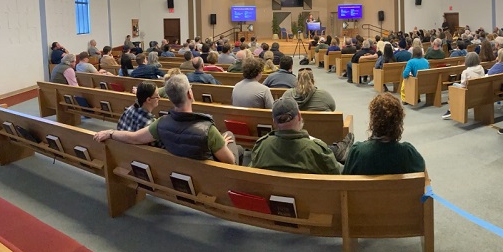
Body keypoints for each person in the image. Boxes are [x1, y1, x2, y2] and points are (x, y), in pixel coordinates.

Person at [93, 74, 243, 165]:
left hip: (176, 169)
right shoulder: (209, 129)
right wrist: (221, 143)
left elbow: (134, 138)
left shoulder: (160, 123)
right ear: (190, 95)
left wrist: (111, 133)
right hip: (209, 176)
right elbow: (229, 162)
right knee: (232, 140)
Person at [249, 97, 343, 174]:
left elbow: (251, 172)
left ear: (274, 122)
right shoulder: (317, 150)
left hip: (272, 195)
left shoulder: (261, 147)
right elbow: (337, 174)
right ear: (299, 116)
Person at [343, 93, 425, 175]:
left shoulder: (357, 152)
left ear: (373, 121)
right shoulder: (408, 153)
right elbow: (422, 173)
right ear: (398, 122)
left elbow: (345, 180)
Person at [442, 52, 485, 119]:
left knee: (453, 86)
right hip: (480, 92)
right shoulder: (481, 68)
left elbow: (463, 86)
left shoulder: (466, 72)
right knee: (456, 86)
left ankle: (451, 109)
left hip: (468, 94)